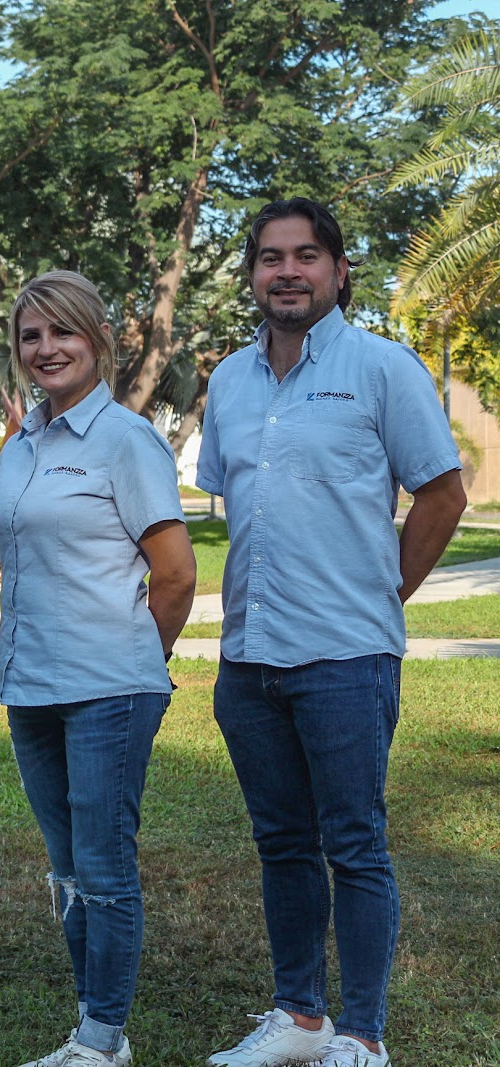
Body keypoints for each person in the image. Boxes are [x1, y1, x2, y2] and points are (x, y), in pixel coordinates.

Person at [197, 198, 466, 1067]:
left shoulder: (383, 367)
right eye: (270, 257)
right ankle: (300, 1017)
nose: (288, 271)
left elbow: (443, 493)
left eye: (306, 255)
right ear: (252, 274)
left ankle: (364, 1034)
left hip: (346, 656)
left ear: (339, 271)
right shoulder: (229, 381)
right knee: (282, 843)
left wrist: (385, 593)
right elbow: (234, 499)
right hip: (249, 659)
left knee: (354, 844)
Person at [0, 271, 197, 1067]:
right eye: (31, 336)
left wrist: (138, 657)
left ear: (99, 340)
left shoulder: (126, 439)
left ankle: (102, 1040)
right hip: (30, 684)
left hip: (109, 688)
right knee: (69, 867)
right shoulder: (20, 447)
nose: (46, 348)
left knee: (105, 866)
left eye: (62, 332)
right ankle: (92, 1025)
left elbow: (175, 573)